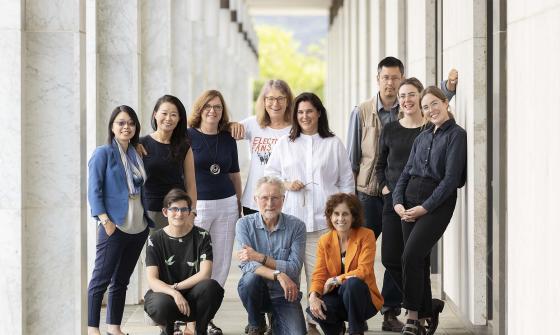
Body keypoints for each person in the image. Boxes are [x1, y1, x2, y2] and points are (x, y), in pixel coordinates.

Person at [346, 56, 457, 331]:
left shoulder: (429, 127)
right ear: (378, 79)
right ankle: (425, 305)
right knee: (392, 257)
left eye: (397, 79)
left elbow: (435, 100)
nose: (392, 84)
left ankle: (410, 313)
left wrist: (449, 87)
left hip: (421, 202)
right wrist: (385, 188)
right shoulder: (378, 120)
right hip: (385, 198)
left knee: (415, 257)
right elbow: (376, 162)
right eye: (386, 78)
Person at [265, 92, 355, 334]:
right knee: (289, 276)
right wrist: (285, 184)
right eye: (300, 112)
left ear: (318, 113)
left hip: (324, 225)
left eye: (309, 111)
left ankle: (317, 320)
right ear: (295, 115)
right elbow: (270, 175)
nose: (304, 116)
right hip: (292, 225)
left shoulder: (333, 143)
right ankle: (284, 319)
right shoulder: (285, 143)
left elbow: (346, 182)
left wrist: (344, 219)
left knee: (323, 277)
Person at [392, 86, 467, 335]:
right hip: (409, 202)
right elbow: (405, 173)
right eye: (426, 107)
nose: (431, 110)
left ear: (445, 103)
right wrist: (398, 202)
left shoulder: (457, 135)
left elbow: (451, 179)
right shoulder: (422, 137)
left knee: (410, 256)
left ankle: (412, 316)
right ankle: (427, 311)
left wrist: (424, 209)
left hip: (436, 204)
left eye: (435, 104)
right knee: (419, 261)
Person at [87, 105, 152, 335]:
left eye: (131, 123)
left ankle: (114, 327)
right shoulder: (102, 153)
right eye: (121, 123)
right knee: (100, 280)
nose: (126, 127)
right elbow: (94, 191)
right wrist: (105, 221)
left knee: (121, 281)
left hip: (138, 227)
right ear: (112, 127)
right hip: (114, 225)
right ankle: (93, 329)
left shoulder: (137, 153)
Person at [187, 89, 242, 334]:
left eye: (218, 107)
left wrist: (239, 204)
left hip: (227, 204)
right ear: (200, 109)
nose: (213, 110)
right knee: (194, 262)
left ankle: (206, 319)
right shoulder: (187, 136)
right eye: (208, 106)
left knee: (220, 264)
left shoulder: (228, 138)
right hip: (198, 207)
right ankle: (187, 319)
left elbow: (234, 174)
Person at [144, 188, 224, 335]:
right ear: (165, 212)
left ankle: (200, 330)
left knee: (212, 288)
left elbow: (205, 274)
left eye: (183, 209)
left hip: (193, 295)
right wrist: (174, 293)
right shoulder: (154, 239)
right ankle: (167, 331)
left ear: (189, 212)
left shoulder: (202, 236)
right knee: (162, 304)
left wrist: (177, 288)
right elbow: (152, 280)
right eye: (174, 209)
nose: (179, 214)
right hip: (164, 295)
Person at [236, 176, 307, 335]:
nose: (269, 203)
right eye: (264, 198)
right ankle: (256, 322)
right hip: (257, 292)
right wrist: (278, 274)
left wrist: (260, 257)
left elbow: (294, 268)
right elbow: (247, 264)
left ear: (283, 199)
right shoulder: (244, 224)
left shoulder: (297, 226)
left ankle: (276, 321)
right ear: (255, 199)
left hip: (286, 294)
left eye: (275, 198)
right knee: (250, 279)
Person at [307, 193, 383, 335]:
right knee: (316, 308)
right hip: (337, 297)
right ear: (330, 216)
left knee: (352, 283)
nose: (340, 219)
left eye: (345, 214)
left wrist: (337, 279)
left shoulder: (366, 235)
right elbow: (319, 273)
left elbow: (363, 270)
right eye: (336, 214)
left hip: (362, 299)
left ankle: (356, 331)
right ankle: (337, 330)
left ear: (353, 216)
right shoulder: (325, 240)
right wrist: (313, 296)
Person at [229, 79, 293, 216]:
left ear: (288, 101)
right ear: (264, 101)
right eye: (270, 98)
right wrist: (231, 125)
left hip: (284, 201)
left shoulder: (295, 130)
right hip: (254, 201)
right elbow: (224, 132)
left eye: (280, 98)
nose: (275, 103)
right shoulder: (254, 124)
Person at [140, 94, 197, 229]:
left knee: (178, 249)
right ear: (155, 115)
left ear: (179, 119)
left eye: (173, 115)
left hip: (178, 212)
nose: (168, 118)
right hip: (150, 212)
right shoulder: (141, 144)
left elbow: (191, 184)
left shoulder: (184, 147)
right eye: (164, 113)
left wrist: (192, 212)